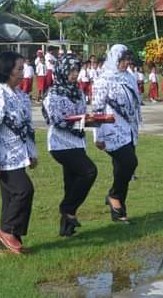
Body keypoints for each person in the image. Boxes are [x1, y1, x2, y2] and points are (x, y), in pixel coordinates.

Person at [0, 51, 38, 254]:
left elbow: (28, 128)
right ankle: (6, 230)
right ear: (7, 71)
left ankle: (6, 246)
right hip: (3, 156)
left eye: (23, 68)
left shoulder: (21, 96)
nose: (23, 73)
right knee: (24, 190)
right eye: (19, 69)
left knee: (10, 198)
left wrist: (31, 153)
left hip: (18, 154)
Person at [42, 53, 98, 237]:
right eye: (71, 70)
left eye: (77, 70)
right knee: (89, 171)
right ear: (62, 70)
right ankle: (67, 208)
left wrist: (93, 120)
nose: (74, 74)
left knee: (71, 183)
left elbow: (80, 116)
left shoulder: (78, 92)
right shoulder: (54, 93)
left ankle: (66, 229)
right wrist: (81, 122)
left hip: (77, 141)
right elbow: (57, 121)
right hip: (60, 144)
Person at [92, 45, 142, 223]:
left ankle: (119, 210)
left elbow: (135, 103)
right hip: (111, 129)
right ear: (114, 58)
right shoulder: (103, 79)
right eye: (122, 59)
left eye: (128, 59)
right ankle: (114, 196)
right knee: (129, 162)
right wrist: (97, 136)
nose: (126, 63)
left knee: (122, 169)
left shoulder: (129, 77)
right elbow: (97, 109)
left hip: (128, 129)